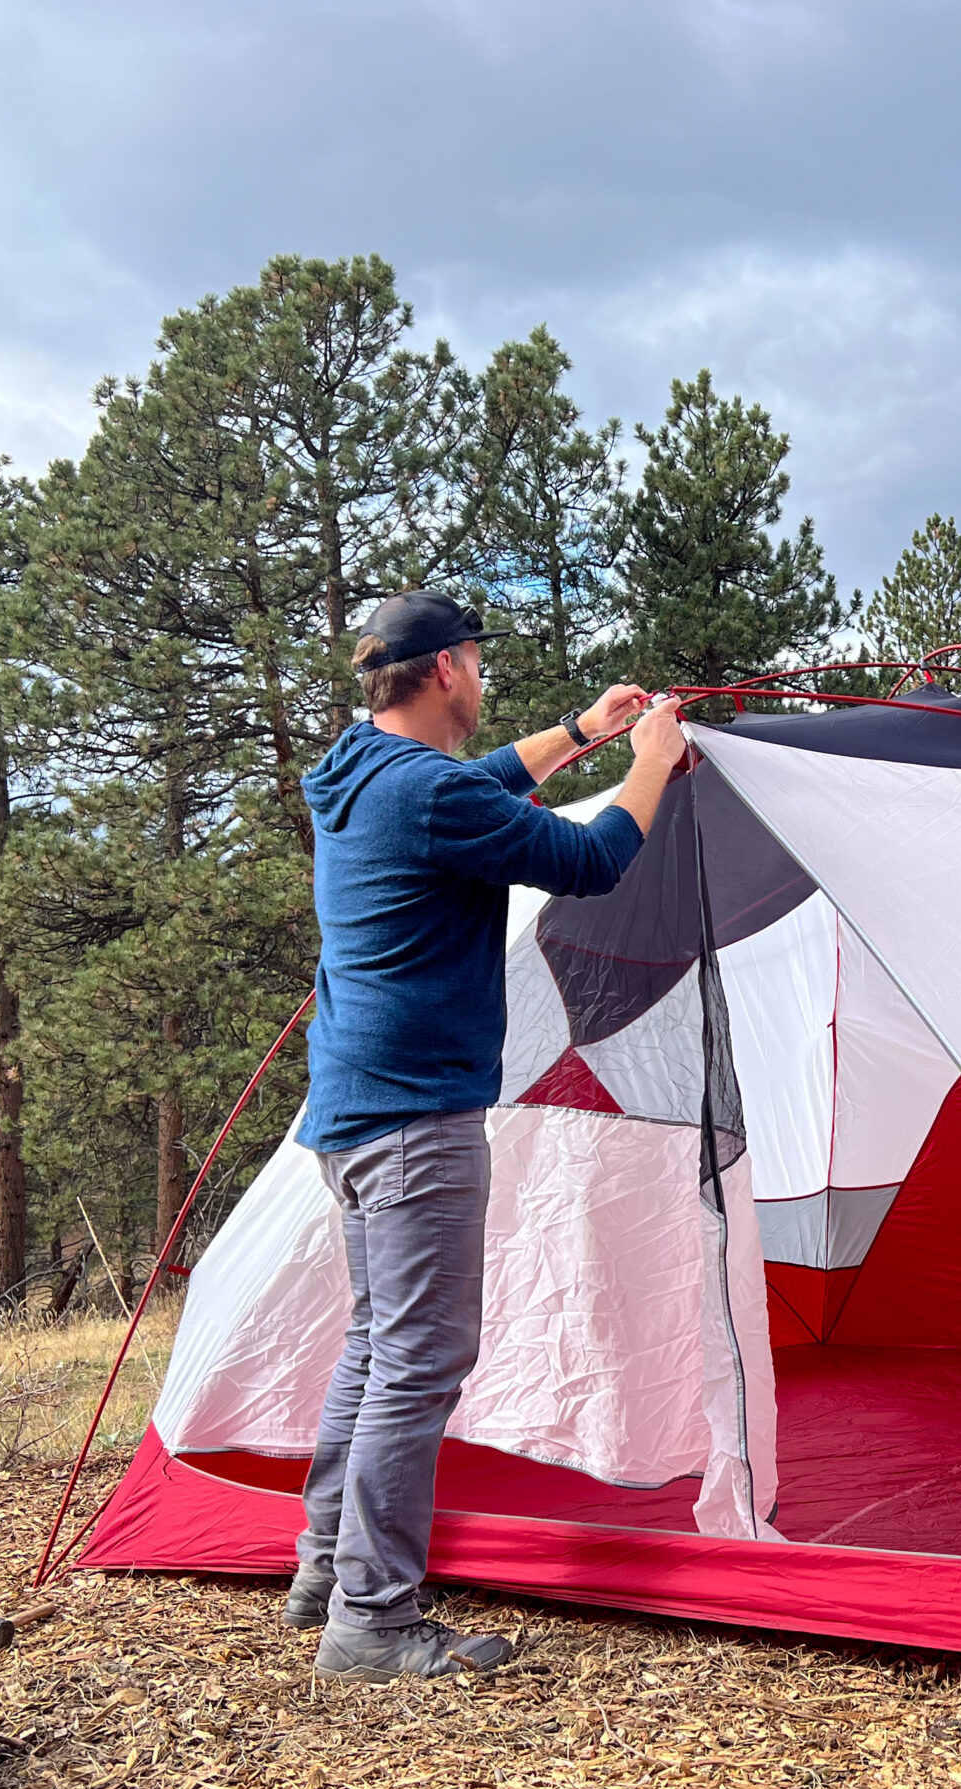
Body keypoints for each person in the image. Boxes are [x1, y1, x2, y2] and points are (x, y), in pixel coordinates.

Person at [288, 589, 686, 1683]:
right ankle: (370, 1621)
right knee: (418, 1362)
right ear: (449, 671)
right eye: (475, 660)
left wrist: (582, 733)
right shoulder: (420, 794)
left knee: (378, 1345)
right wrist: (649, 758)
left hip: (354, 1111)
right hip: (415, 1118)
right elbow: (593, 858)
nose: (481, 676)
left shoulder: (358, 768)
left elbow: (466, 788)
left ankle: (327, 1568)